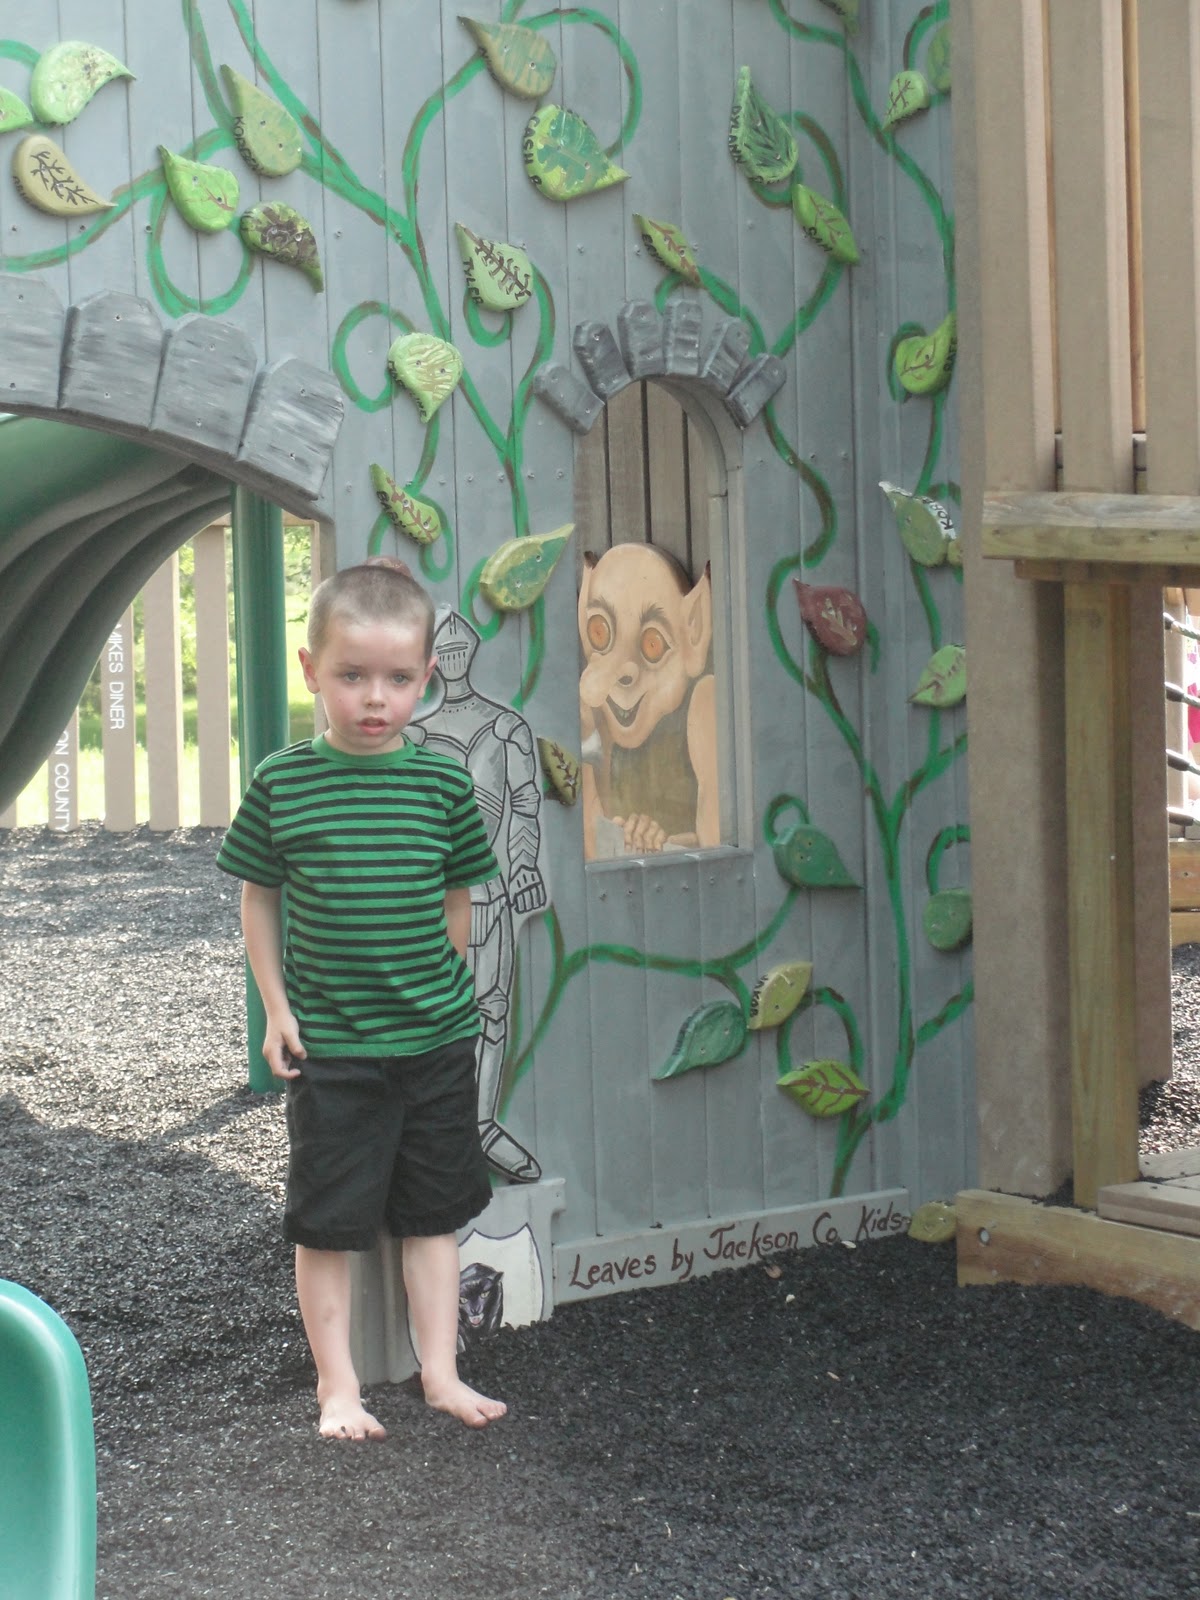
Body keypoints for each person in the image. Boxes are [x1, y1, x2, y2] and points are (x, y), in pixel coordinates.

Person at [216, 558, 507, 1439]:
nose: (375, 698)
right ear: (311, 669)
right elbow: (258, 897)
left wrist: (445, 985)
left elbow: (458, 897)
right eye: (351, 676)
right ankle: (337, 1387)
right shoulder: (283, 783)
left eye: (397, 679)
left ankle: (440, 1373)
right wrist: (276, 1008)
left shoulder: (442, 785)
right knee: (328, 1224)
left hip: (435, 1046)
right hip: (333, 1051)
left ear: (426, 676)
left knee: (433, 1218)